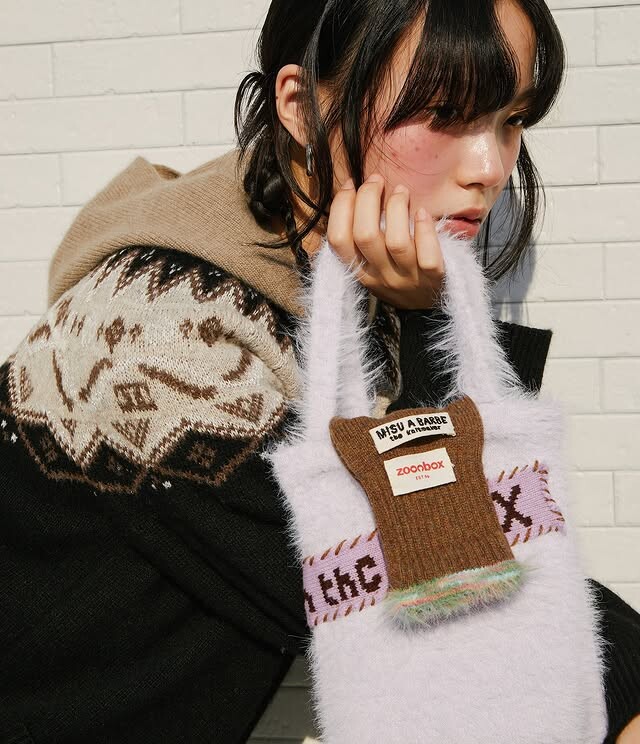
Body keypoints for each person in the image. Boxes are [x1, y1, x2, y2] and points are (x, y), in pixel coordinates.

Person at [0, 0, 638, 742]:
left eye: (512, 118)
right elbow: (445, 595)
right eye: (442, 113)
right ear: (301, 107)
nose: (490, 168)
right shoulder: (166, 345)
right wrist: (427, 322)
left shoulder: (323, 273)